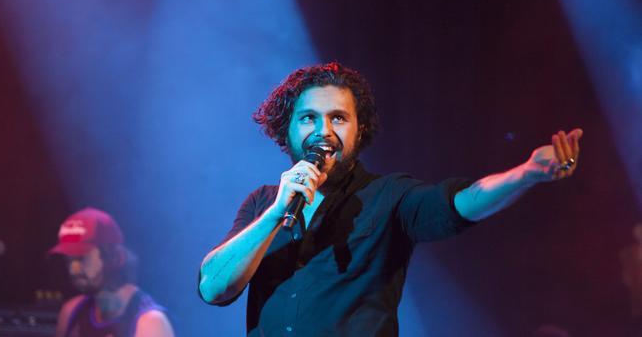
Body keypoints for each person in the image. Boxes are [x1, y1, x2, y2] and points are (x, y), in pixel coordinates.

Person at [198, 62, 583, 336]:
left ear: (359, 129)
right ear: (289, 129)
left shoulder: (389, 196)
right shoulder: (264, 203)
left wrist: (525, 174)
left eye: (338, 118)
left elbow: (459, 204)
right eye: (309, 118)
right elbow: (214, 288)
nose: (323, 131)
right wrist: (276, 213)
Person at [50, 207, 175, 337]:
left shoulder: (150, 323)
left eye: (81, 257)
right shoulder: (71, 312)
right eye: (68, 259)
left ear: (113, 257)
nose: (73, 269)